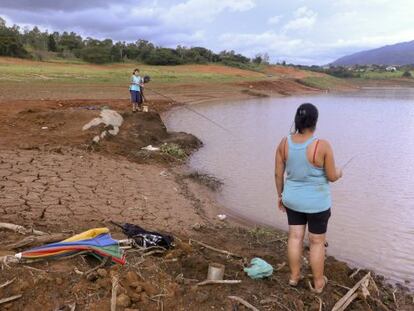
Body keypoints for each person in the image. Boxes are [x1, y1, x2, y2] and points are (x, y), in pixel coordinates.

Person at [274, 103, 342, 293]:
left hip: (293, 199)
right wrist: (340, 172)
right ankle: (319, 282)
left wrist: (280, 195)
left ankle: (294, 277)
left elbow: (278, 174)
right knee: (317, 241)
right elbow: (331, 176)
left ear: (297, 119)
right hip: (317, 203)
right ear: (315, 121)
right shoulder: (322, 145)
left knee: (295, 237)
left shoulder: (284, 143)